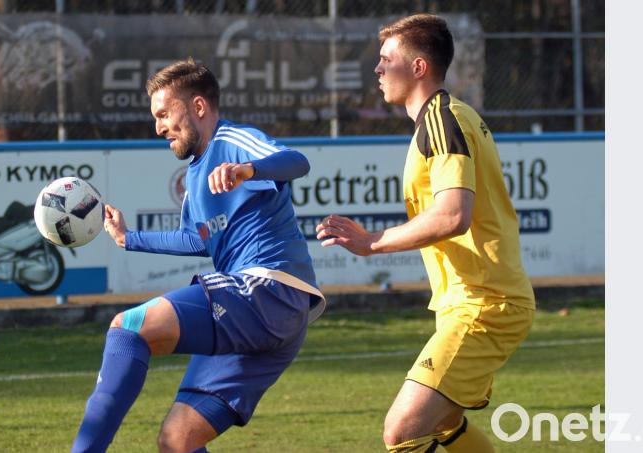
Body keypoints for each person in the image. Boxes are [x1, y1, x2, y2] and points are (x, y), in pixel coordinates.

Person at [71, 58, 325, 453]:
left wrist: (249, 170)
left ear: (198, 107)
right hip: (265, 318)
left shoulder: (233, 140)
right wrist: (127, 238)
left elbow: (297, 161)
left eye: (164, 114)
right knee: (178, 440)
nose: (159, 127)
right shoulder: (195, 175)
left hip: (270, 289)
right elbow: (198, 241)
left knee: (129, 326)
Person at [316, 14, 535, 453]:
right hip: (468, 301)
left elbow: (453, 214)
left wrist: (371, 242)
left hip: (484, 303)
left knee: (401, 431)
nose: (377, 70)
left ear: (418, 68)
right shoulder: (445, 118)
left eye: (385, 60)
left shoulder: (442, 120)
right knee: (445, 424)